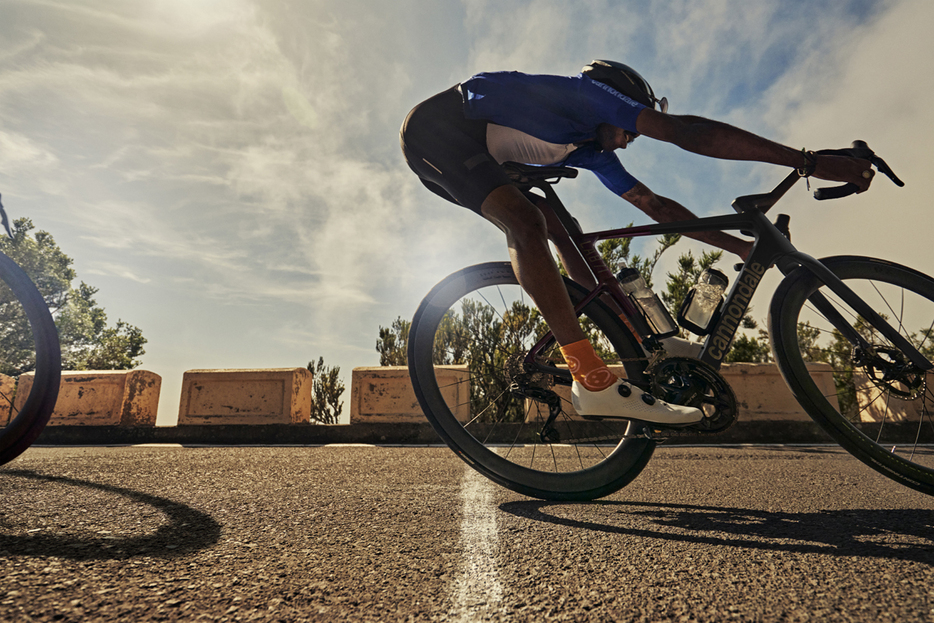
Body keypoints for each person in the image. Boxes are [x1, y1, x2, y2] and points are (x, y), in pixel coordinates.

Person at [400, 60, 874, 426]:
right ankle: (589, 375)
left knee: (566, 235)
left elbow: (655, 206)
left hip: (486, 156)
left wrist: (737, 248)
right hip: (437, 131)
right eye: (629, 128)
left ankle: (632, 339)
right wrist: (807, 161)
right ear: (619, 101)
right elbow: (684, 132)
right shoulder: (589, 96)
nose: (629, 141)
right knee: (525, 223)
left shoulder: (591, 147)